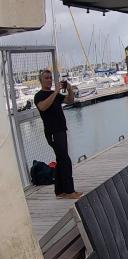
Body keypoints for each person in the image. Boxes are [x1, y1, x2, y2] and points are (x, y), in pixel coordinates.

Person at [33, 70, 81, 199]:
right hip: (53, 132)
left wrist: (70, 89)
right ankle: (70, 191)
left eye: (50, 78)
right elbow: (42, 107)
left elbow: (70, 101)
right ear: (41, 80)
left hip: (61, 130)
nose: (49, 80)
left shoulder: (54, 94)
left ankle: (60, 191)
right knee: (65, 159)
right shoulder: (39, 95)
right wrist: (55, 92)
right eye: (46, 78)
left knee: (61, 159)